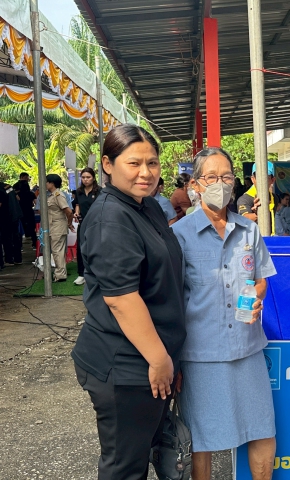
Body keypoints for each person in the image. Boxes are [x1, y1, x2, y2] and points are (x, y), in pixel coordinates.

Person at [71, 125, 186, 479]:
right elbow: (122, 299)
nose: (146, 172)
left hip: (150, 358)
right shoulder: (111, 217)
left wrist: (171, 357)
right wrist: (160, 359)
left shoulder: (146, 206)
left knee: (144, 453)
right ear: (108, 164)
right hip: (126, 364)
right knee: (125, 467)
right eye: (134, 163)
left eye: (152, 163)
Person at [171, 147, 276, 480]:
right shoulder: (180, 235)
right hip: (201, 353)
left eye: (226, 177)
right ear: (196, 184)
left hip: (247, 346)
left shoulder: (249, 230)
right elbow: (172, 300)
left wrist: (256, 296)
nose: (220, 183)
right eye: (211, 177)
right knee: (202, 438)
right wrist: (172, 361)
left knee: (262, 429)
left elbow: (261, 280)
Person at [73, 168, 102, 285]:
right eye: (83, 177)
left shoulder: (100, 191)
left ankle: (97, 273)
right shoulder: (79, 191)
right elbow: (78, 204)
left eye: (88, 177)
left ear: (93, 178)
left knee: (96, 248)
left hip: (96, 224)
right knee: (81, 248)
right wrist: (76, 212)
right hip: (83, 223)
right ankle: (81, 274)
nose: (85, 180)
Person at [44, 174, 74, 281]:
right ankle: (60, 272)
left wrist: (69, 223)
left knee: (57, 251)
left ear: (52, 183)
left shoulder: (58, 195)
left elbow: (68, 211)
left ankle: (60, 274)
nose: (45, 184)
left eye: (46, 182)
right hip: (54, 226)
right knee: (57, 251)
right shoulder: (51, 195)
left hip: (58, 226)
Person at [237, 161, 276, 234]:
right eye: (258, 177)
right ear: (253, 179)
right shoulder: (245, 199)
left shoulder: (275, 198)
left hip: (273, 239)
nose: (262, 181)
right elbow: (244, 218)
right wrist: (258, 213)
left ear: (272, 180)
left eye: (265, 178)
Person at [15, 173, 37, 250]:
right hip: (29, 211)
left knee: (19, 230)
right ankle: (34, 244)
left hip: (19, 212)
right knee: (32, 228)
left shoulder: (15, 191)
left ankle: (19, 246)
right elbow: (36, 203)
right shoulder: (31, 193)